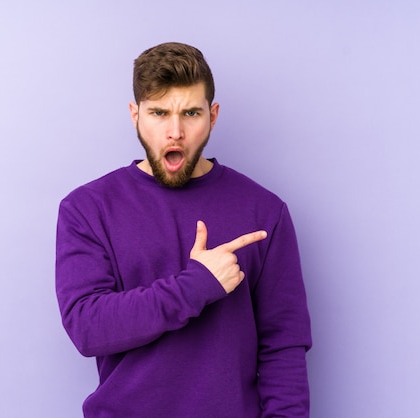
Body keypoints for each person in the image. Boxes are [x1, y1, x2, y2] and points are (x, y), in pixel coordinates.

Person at [55, 42, 312, 417]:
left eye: (191, 112)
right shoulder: (87, 209)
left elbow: (284, 345)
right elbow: (88, 328)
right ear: (135, 115)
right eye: (159, 112)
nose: (175, 131)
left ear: (213, 114)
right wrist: (196, 286)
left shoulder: (264, 211)